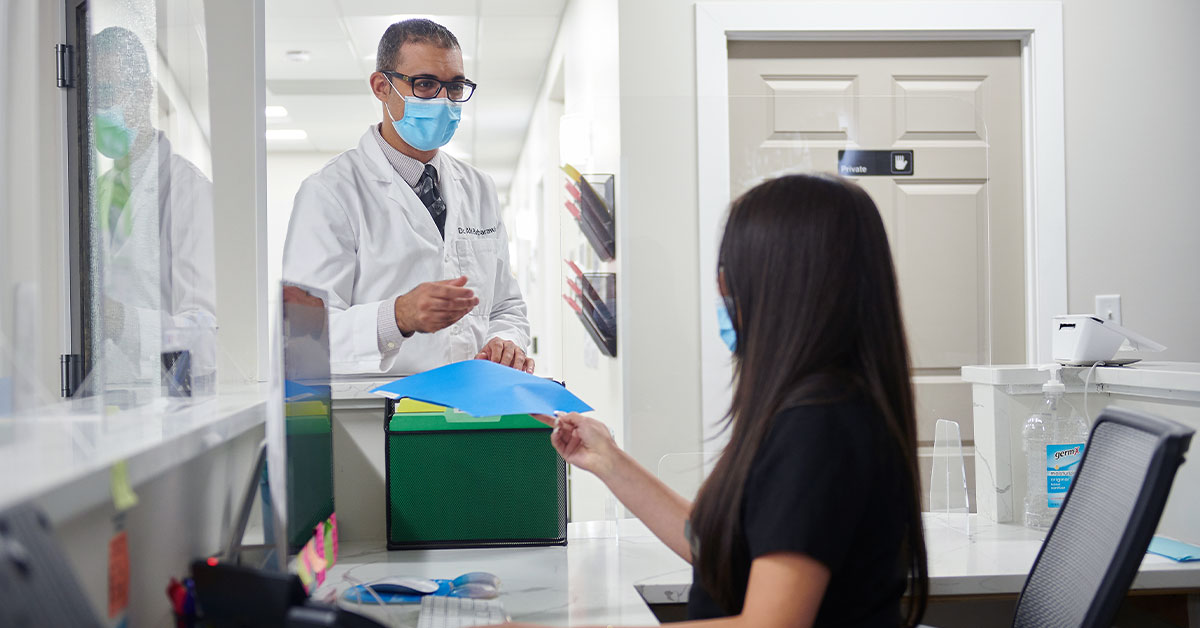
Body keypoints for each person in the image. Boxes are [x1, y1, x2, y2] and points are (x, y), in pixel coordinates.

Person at [523, 174, 929, 627]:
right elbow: (722, 551)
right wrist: (608, 460)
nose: (722, 292)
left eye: (730, 277)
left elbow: (770, 624)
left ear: (779, 288)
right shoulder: (821, 404)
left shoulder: (821, 424)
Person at [282, 19, 532, 376]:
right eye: (426, 84)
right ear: (382, 87)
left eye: (456, 87)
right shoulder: (329, 193)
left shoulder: (480, 188)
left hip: (474, 406)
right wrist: (397, 316)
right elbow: (303, 337)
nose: (445, 101)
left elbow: (506, 306)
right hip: (380, 416)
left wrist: (507, 342)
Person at [90, 26, 218, 398]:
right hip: (104, 402)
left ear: (144, 92)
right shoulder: (99, 192)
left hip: (163, 403)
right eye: (93, 96)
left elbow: (206, 334)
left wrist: (121, 321)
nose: (99, 108)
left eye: (109, 93)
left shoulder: (187, 191)